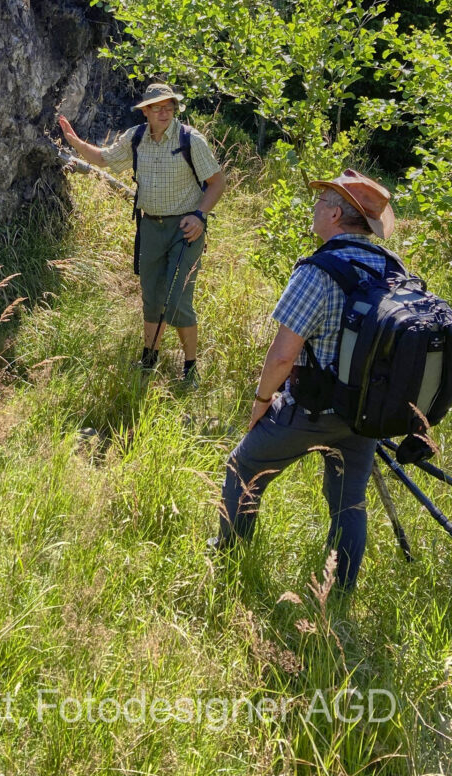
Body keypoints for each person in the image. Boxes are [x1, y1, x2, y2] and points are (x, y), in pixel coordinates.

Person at [213, 169, 397, 591]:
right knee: (349, 503)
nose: (313, 210)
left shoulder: (319, 270)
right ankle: (341, 593)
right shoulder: (390, 267)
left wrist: (261, 403)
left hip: (314, 410)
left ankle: (228, 559)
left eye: (319, 204)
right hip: (364, 414)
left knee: (244, 465)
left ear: (335, 215)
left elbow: (281, 356)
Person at [59, 82, 226, 380]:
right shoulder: (135, 138)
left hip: (185, 229)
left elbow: (217, 182)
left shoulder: (191, 140)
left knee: (177, 300)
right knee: (152, 297)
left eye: (169, 106)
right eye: (158, 107)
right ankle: (149, 361)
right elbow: (104, 159)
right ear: (145, 111)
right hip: (149, 227)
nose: (165, 112)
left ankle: (190, 369)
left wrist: (200, 216)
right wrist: (75, 142)